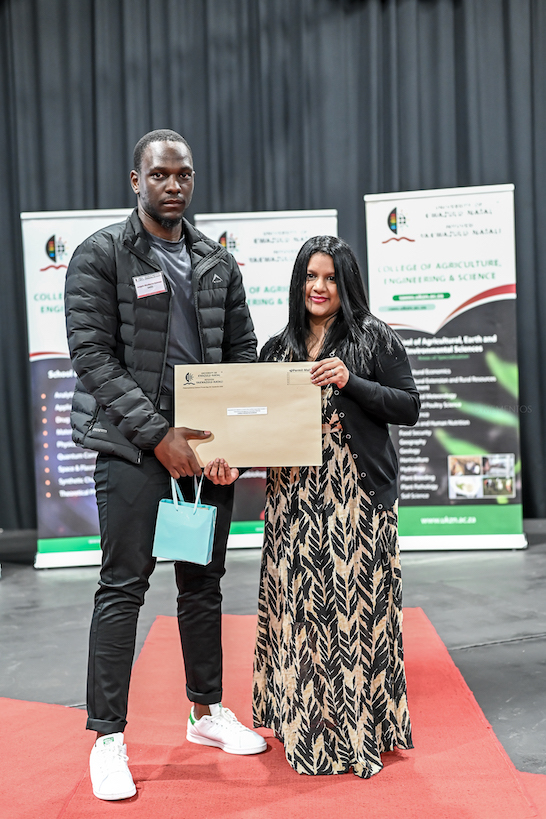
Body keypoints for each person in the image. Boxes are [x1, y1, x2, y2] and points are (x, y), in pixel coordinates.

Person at [65, 129, 266, 802]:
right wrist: (159, 437)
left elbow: (241, 353)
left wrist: (232, 441)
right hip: (131, 447)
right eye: (159, 175)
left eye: (183, 174)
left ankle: (206, 712)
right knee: (123, 587)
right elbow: (93, 357)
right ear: (136, 181)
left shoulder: (216, 260)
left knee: (202, 585)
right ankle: (107, 740)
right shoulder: (100, 255)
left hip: (204, 448)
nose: (173, 185)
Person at [252, 236, 420, 779]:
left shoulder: (374, 337)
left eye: (329, 277)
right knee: (300, 616)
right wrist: (229, 454)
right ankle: (308, 732)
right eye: (310, 276)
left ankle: (361, 731)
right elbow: (257, 426)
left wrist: (352, 382)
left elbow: (408, 406)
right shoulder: (276, 350)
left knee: (356, 618)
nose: (319, 288)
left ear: (346, 282)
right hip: (293, 502)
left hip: (357, 500)